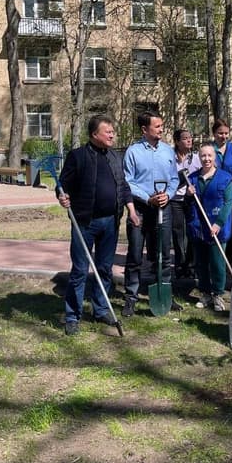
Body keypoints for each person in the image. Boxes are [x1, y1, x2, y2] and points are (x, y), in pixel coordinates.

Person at [58, 115, 139, 335]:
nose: (112, 135)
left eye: (113, 131)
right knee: (80, 270)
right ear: (94, 134)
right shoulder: (78, 156)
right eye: (108, 132)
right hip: (84, 222)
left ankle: (101, 309)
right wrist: (63, 196)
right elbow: (62, 185)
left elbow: (123, 186)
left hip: (111, 222)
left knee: (104, 268)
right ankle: (72, 316)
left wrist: (131, 210)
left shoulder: (115, 156)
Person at [122, 111, 181, 317]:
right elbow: (128, 181)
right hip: (140, 209)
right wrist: (148, 198)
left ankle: (164, 293)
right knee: (135, 255)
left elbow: (174, 179)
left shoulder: (168, 151)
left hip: (163, 209)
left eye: (162, 125)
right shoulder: (133, 152)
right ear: (144, 129)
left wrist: (168, 195)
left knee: (163, 254)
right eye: (157, 126)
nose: (161, 129)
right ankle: (131, 297)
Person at [186, 143, 232, 312]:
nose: (206, 159)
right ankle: (205, 293)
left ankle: (218, 294)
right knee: (201, 263)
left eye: (209, 155)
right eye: (203, 156)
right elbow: (187, 204)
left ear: (215, 157)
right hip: (198, 227)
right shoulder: (192, 178)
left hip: (216, 229)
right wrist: (188, 195)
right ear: (199, 157)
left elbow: (228, 203)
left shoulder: (225, 178)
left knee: (217, 263)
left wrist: (218, 223)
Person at [212, 119, 232, 264]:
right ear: (214, 133)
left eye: (226, 133)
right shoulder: (209, 150)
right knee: (216, 223)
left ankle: (231, 259)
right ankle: (216, 256)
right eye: (220, 133)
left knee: (231, 225)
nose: (223, 136)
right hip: (215, 193)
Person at [171, 129, 201, 280]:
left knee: (192, 232)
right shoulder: (170, 159)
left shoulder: (196, 158)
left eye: (190, 137)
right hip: (175, 200)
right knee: (178, 233)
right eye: (185, 138)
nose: (189, 140)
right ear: (177, 141)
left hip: (191, 200)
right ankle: (179, 265)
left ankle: (191, 265)